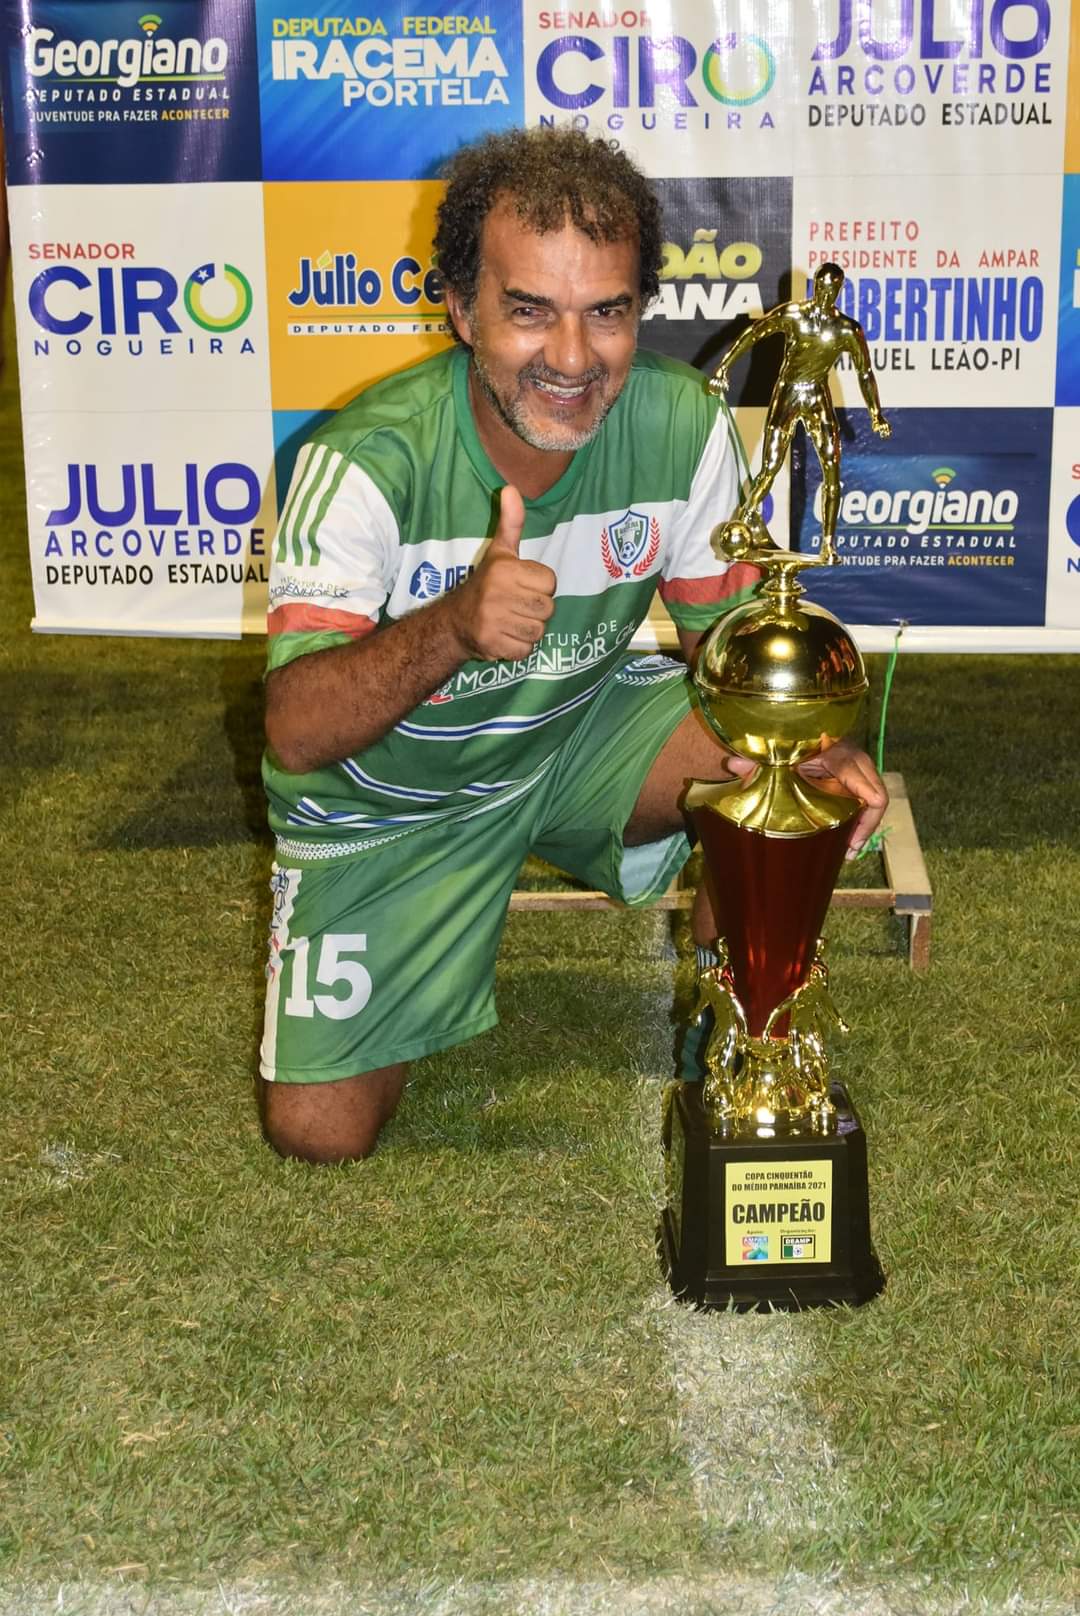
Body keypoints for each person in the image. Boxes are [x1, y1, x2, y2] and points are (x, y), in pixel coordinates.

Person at [259, 127, 887, 1165]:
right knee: (321, 1135)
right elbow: (293, 732)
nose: (571, 357)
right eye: (528, 311)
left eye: (606, 313)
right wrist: (456, 625)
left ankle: (740, 1046)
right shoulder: (358, 462)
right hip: (395, 802)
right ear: (460, 310)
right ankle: (429, 927)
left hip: (573, 733)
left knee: (758, 761)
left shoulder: (681, 424)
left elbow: (725, 658)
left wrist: (806, 748)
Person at [709, 262, 890, 562]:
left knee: (832, 467)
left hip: (817, 395)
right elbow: (754, 333)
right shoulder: (795, 315)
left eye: (831, 289)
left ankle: (828, 543)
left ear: (838, 291)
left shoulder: (847, 329)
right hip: (788, 392)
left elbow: (865, 373)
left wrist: (875, 413)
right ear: (815, 286)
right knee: (771, 466)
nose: (825, 293)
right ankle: (749, 517)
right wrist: (723, 368)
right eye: (821, 287)